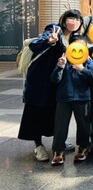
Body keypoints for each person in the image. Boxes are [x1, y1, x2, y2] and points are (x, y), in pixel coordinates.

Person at [18, 9, 83, 162]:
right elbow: (35, 45)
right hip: (40, 80)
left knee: (55, 112)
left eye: (77, 19)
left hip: (56, 81)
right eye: (71, 18)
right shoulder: (54, 29)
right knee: (36, 112)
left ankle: (58, 141)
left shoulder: (73, 38)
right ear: (64, 19)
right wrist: (50, 40)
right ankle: (38, 146)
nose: (74, 21)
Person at [50, 35, 93, 165]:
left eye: (82, 46)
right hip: (63, 97)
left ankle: (83, 147)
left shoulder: (88, 61)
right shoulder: (63, 59)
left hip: (82, 98)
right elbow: (54, 79)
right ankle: (58, 150)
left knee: (83, 125)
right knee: (60, 126)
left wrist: (82, 69)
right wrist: (60, 66)